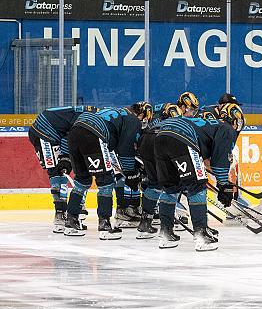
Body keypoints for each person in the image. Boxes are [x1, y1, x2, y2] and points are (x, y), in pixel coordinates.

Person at [154, 103, 244, 250]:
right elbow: (220, 162)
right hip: (182, 137)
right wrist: (224, 186)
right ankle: (202, 237)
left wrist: (223, 185)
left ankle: (166, 235)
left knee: (171, 188)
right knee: (197, 186)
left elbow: (209, 160)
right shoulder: (226, 129)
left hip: (161, 136)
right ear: (237, 121)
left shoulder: (209, 124)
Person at [63, 103, 152, 239]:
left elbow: (115, 147)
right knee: (106, 181)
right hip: (94, 134)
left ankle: (71, 221)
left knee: (82, 180)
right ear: (140, 115)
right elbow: (125, 150)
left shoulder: (116, 111)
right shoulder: (133, 120)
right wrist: (131, 174)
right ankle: (104, 225)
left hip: (75, 132)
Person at [28, 105, 98, 232]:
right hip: (44, 132)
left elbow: (69, 133)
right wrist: (65, 157)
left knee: (65, 169)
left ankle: (70, 210)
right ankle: (60, 214)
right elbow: (71, 134)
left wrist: (66, 157)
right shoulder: (90, 119)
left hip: (52, 132)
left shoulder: (92, 115)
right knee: (57, 172)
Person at [135, 102, 183, 239]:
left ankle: (145, 222)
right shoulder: (175, 124)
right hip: (161, 140)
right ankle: (166, 227)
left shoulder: (155, 121)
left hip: (146, 141)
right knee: (171, 185)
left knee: (154, 184)